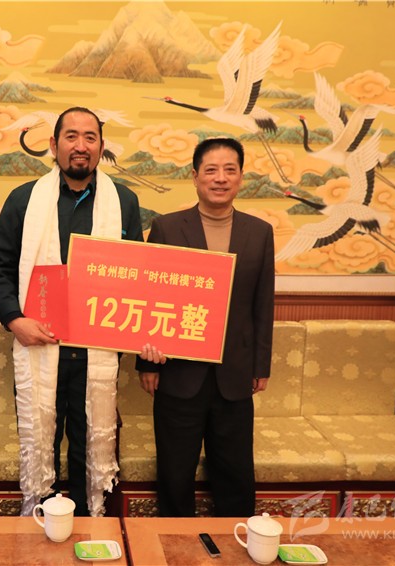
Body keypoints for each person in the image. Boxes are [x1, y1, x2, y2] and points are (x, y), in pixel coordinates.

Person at [0, 107, 144, 517]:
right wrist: (14, 319)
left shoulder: (123, 202)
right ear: (54, 145)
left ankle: (90, 527)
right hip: (39, 345)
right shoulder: (24, 200)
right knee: (44, 444)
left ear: (101, 147)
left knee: (90, 449)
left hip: (96, 352)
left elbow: (137, 274)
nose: (81, 146)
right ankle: (43, 526)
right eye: (71, 136)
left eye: (90, 137)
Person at [137, 137, 274, 517]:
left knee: (235, 471)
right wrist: (146, 363)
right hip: (177, 372)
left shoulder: (259, 232)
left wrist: (261, 365)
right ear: (195, 176)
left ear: (241, 177)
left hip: (235, 372)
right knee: (174, 471)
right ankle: (172, 542)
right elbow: (149, 296)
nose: (220, 178)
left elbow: (263, 304)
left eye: (230, 170)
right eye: (211, 170)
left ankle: (236, 539)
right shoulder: (166, 227)